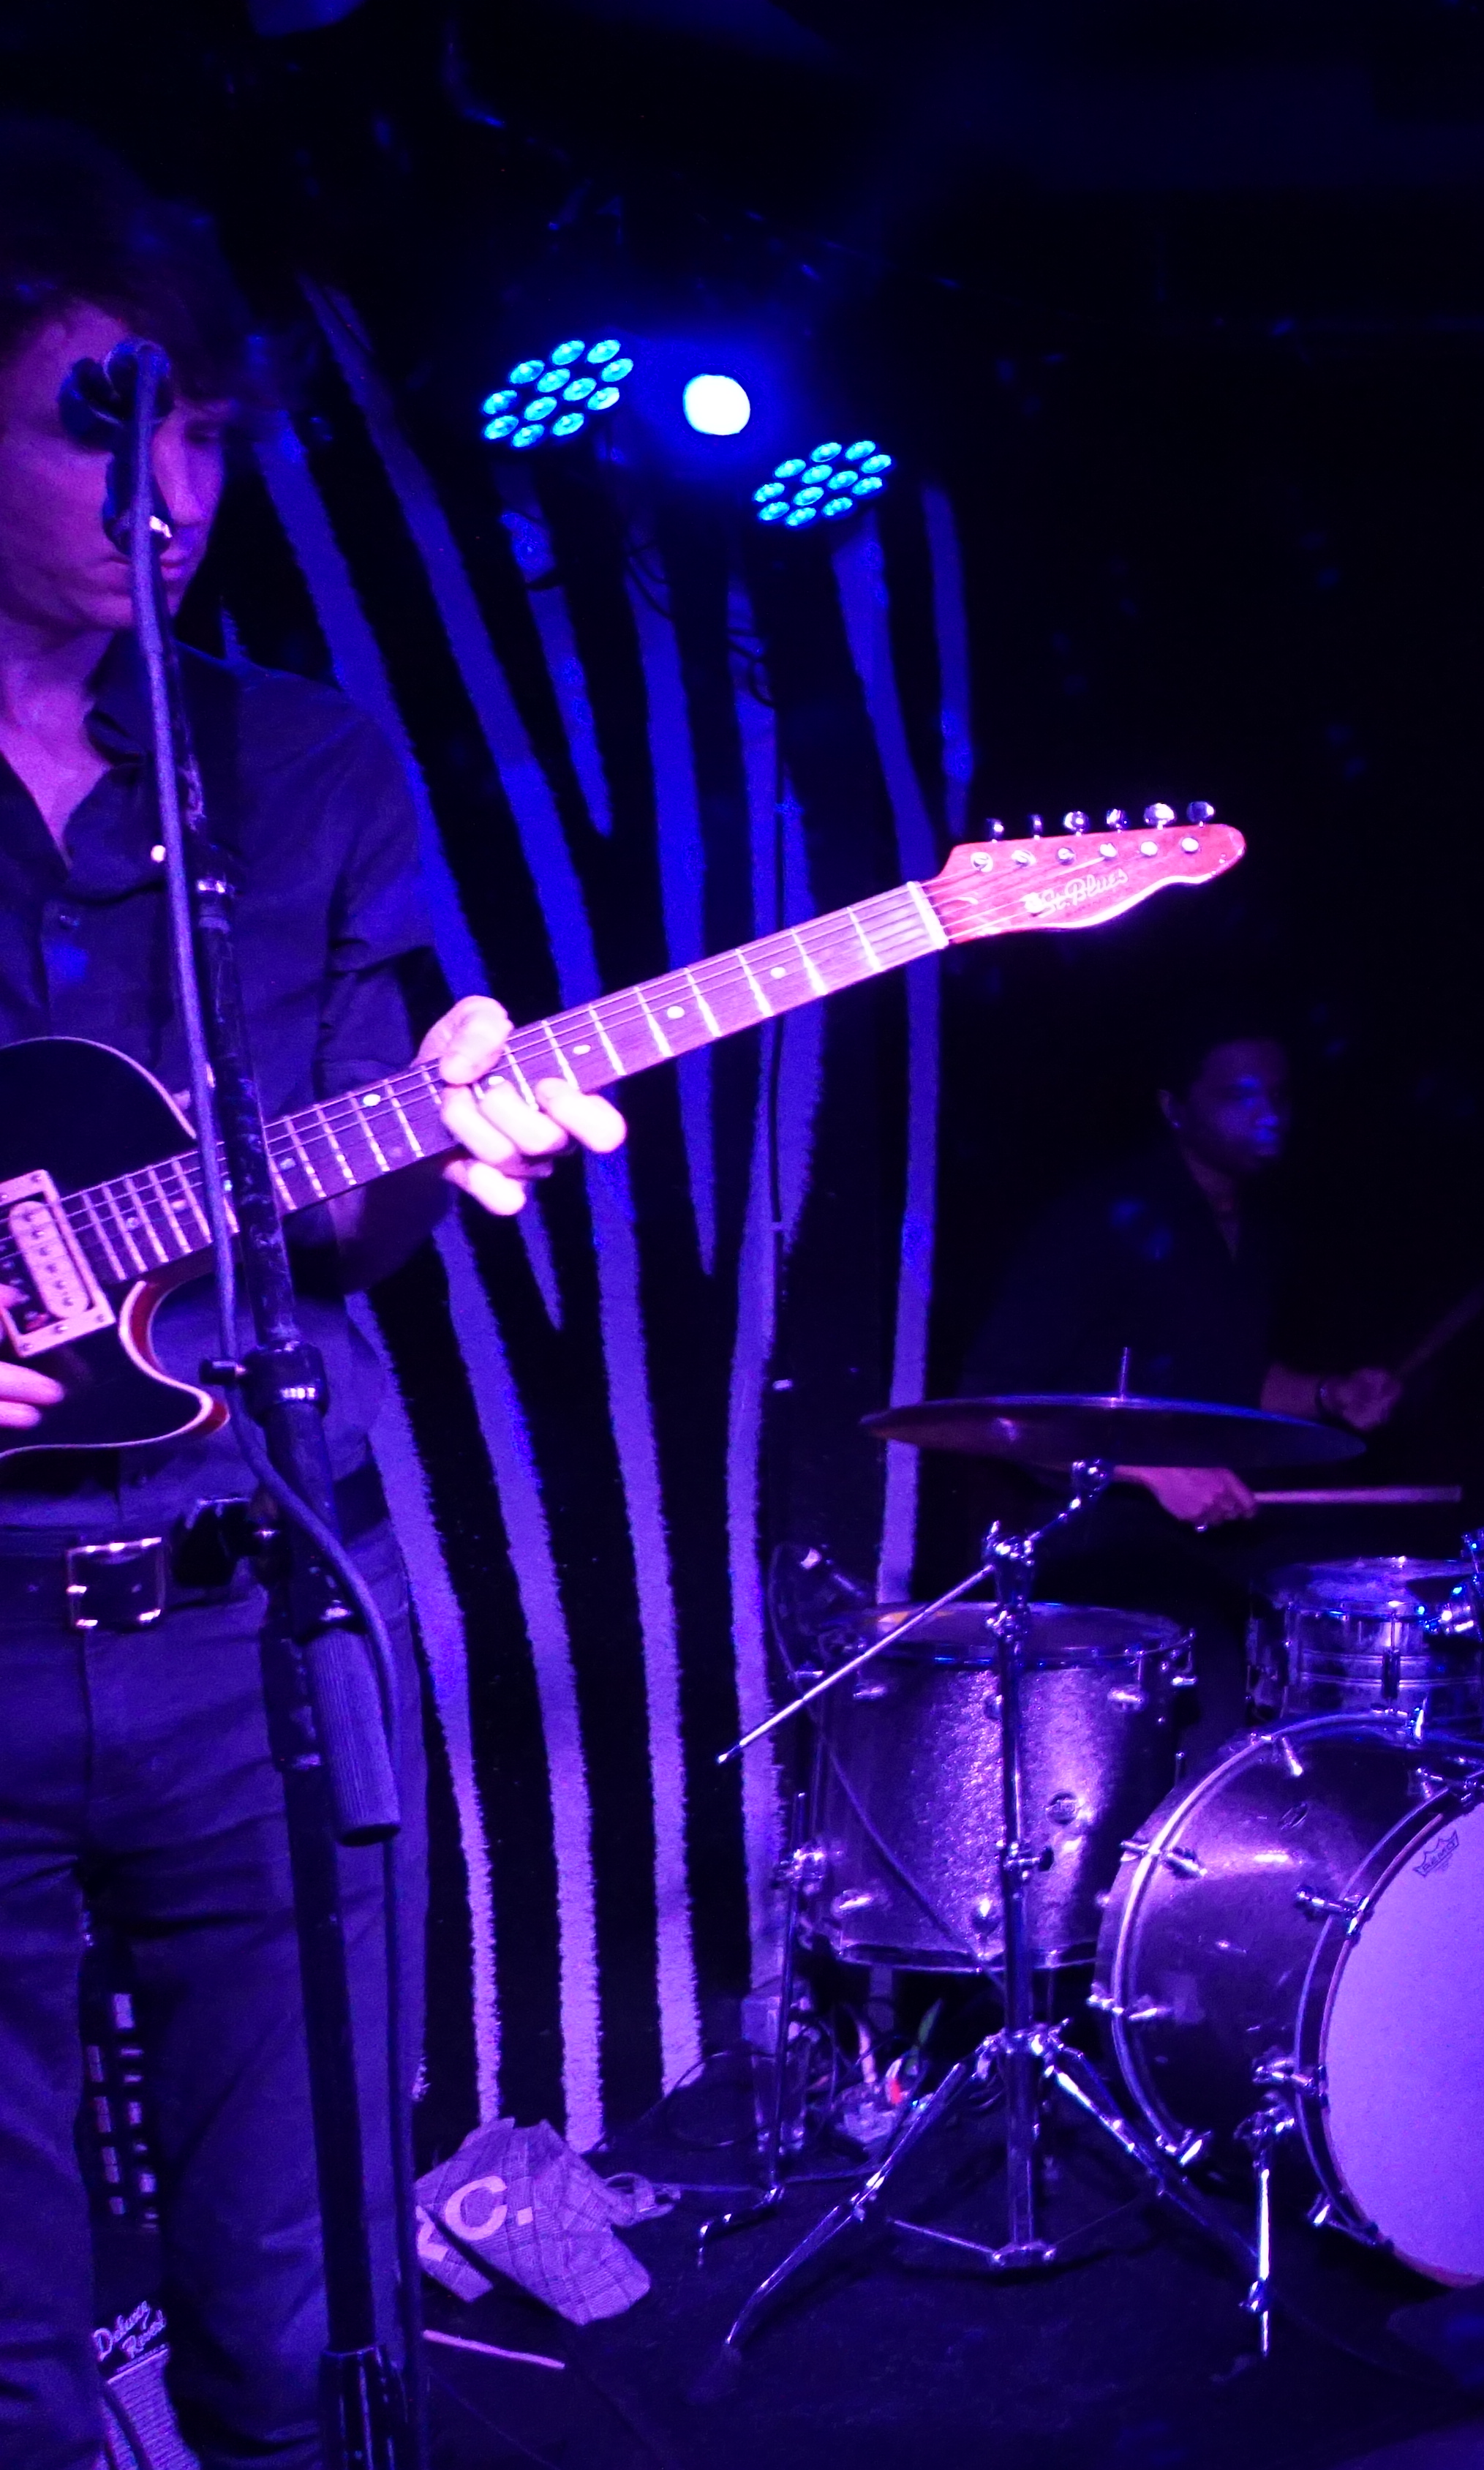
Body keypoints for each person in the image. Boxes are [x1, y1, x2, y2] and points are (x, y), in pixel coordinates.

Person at [0, 123, 622, 2470]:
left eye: (201, 431)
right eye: (96, 420)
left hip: (250, 1610)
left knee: (294, 2333)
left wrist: (447, 1138)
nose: (164, 489)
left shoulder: (307, 766)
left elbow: (331, 1214)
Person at [958, 1016, 1404, 1583]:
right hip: (1097, 1539)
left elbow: (1227, 1381)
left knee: (1364, 1578)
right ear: (1175, 1108)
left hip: (1213, 1540)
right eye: (1239, 1097)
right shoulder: (1097, 1221)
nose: (1269, 1114)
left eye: (1279, 1095)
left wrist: (1328, 1394)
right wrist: (1156, 1472)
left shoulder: (1262, 1229)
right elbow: (996, 1405)